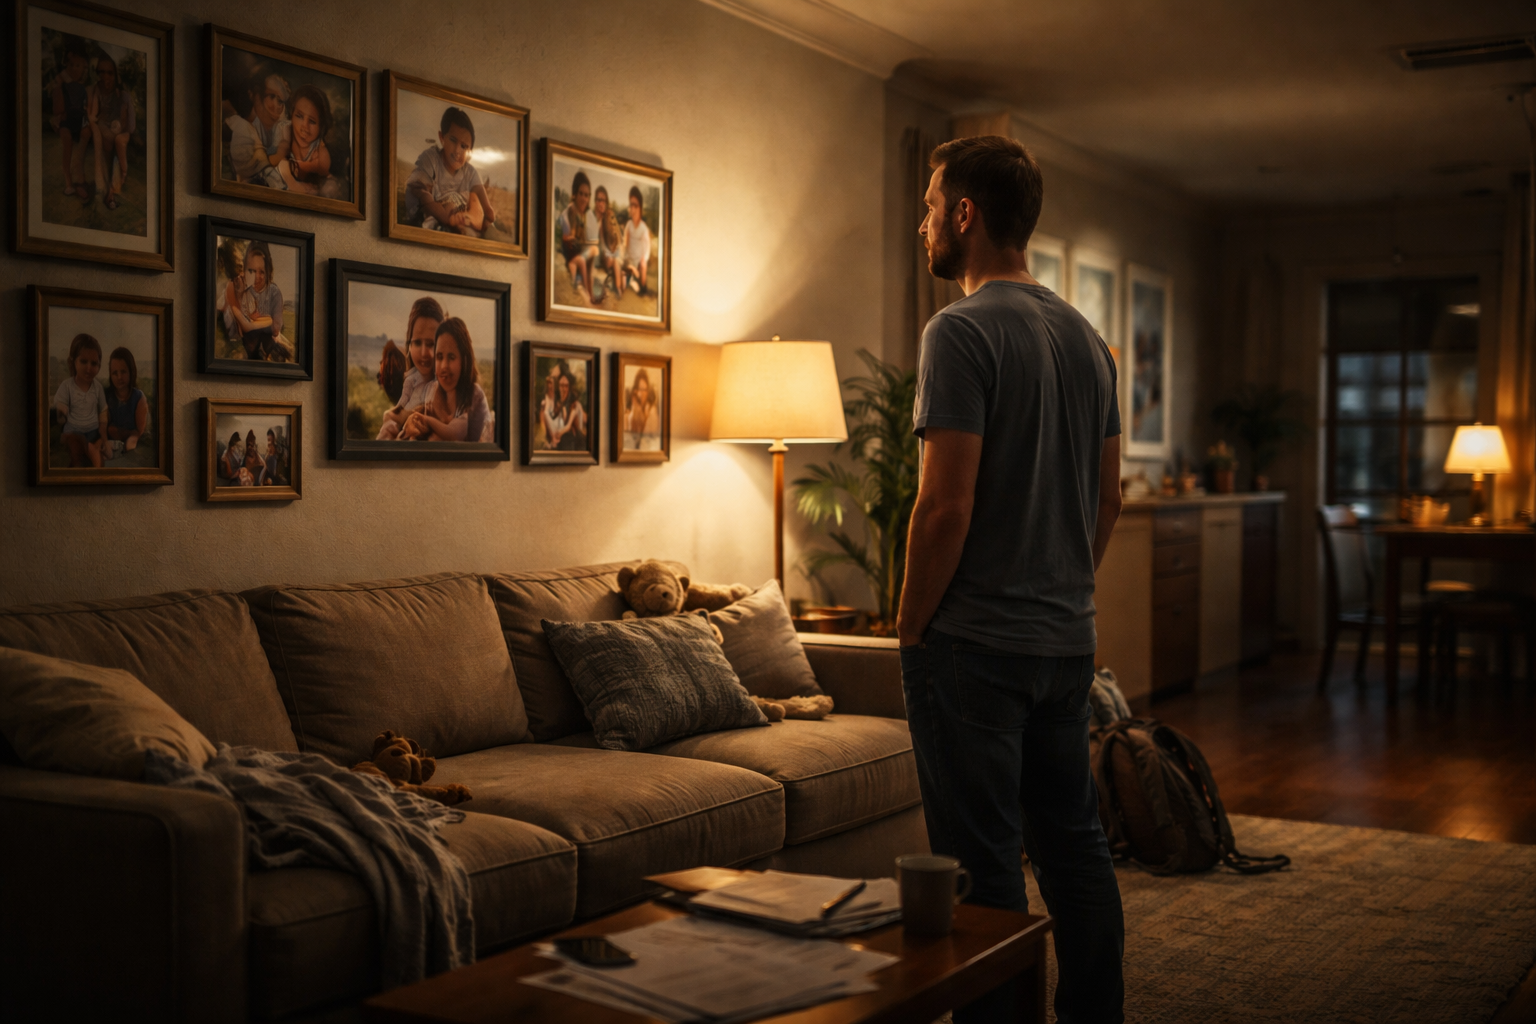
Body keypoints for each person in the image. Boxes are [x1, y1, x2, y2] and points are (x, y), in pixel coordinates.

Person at [896, 135, 1125, 1024]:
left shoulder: (958, 330)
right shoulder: (1088, 341)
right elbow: (1105, 500)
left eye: (928, 205)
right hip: (1066, 644)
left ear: (965, 214)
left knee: (983, 867)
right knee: (1074, 850)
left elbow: (943, 507)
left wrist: (911, 626)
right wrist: (1061, 589)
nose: (923, 224)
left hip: (974, 649)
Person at [405, 106, 495, 236]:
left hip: (462, 218)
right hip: (437, 216)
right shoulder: (431, 158)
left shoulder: (470, 172)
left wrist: (476, 216)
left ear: (469, 151)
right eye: (453, 140)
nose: (458, 151)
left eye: (464, 146)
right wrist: (447, 219)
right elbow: (422, 195)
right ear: (442, 137)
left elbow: (488, 211)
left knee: (474, 202)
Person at [401, 318, 489, 442]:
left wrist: (427, 421)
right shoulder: (432, 391)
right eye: (439, 357)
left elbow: (456, 434)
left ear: (464, 360)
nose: (443, 366)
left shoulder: (474, 394)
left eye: (451, 357)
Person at [378, 296, 444, 439]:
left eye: (431, 344)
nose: (423, 353)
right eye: (417, 343)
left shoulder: (445, 385)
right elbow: (402, 404)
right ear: (409, 344)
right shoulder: (411, 379)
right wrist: (392, 417)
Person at [221, 241, 289, 361]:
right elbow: (245, 326)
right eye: (251, 270)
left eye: (261, 271)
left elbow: (272, 326)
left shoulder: (271, 293)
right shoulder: (233, 287)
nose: (256, 276)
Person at [85, 53, 135, 211]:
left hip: (120, 135)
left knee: (118, 144)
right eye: (101, 72)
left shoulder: (123, 96)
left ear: (116, 74)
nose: (105, 76)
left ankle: (112, 190)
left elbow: (131, 125)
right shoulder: (96, 91)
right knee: (106, 145)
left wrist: (121, 132)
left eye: (109, 73)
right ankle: (107, 192)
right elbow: (93, 115)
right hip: (104, 132)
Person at [52, 332, 107, 468]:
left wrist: (103, 434)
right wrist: (61, 413)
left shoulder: (98, 387)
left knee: (97, 453)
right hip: (73, 432)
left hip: (93, 432)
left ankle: (98, 476)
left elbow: (103, 411)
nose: (89, 368)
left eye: (94, 363)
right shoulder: (67, 386)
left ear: (99, 366)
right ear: (73, 361)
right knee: (77, 449)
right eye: (83, 361)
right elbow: (60, 409)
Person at [50, 44, 92, 203]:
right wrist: (59, 86)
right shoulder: (62, 86)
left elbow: (85, 108)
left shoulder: (82, 88)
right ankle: (69, 181)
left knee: (85, 133)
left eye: (79, 66)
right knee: (67, 142)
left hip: (78, 119)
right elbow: (58, 109)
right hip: (66, 119)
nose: (75, 69)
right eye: (72, 65)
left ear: (84, 68)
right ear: (67, 66)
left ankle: (79, 176)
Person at [280, 85, 335, 196]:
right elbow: (278, 162)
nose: (304, 127)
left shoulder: (320, 150)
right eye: (299, 116)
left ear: (321, 127)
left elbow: (323, 168)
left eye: (312, 121)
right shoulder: (285, 132)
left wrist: (302, 166)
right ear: (291, 115)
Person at [560, 171, 599, 303]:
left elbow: (590, 238)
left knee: (593, 251)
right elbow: (566, 237)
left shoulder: (586, 215)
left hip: (579, 249)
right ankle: (588, 294)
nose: (584, 199)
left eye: (587, 195)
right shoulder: (568, 213)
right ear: (575, 194)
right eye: (581, 194)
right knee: (587, 256)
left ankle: (590, 291)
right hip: (570, 251)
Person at [102, 346, 147, 460]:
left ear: (131, 371)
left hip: (131, 441)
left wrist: (122, 433)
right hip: (108, 444)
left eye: (123, 372)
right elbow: (104, 426)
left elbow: (138, 432)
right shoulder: (106, 396)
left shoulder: (138, 397)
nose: (119, 377)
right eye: (114, 373)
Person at [620, 186, 652, 297]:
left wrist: (644, 259)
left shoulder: (643, 228)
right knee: (622, 282)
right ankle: (631, 279)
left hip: (639, 261)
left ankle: (642, 285)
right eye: (631, 205)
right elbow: (625, 243)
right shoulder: (628, 225)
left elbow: (647, 247)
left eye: (636, 205)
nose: (633, 208)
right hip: (630, 261)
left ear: (640, 207)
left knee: (643, 266)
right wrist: (625, 258)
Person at [592, 185, 621, 303]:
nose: (601, 203)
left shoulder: (608, 218)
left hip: (605, 257)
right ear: (595, 201)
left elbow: (614, 239)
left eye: (603, 200)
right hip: (594, 260)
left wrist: (610, 254)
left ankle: (618, 290)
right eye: (598, 200)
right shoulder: (592, 218)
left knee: (615, 261)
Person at [623, 367, 659, 450]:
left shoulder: (651, 410)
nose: (642, 393)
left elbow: (648, 438)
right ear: (635, 390)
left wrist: (645, 418)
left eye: (644, 389)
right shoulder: (632, 409)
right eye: (640, 389)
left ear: (648, 390)